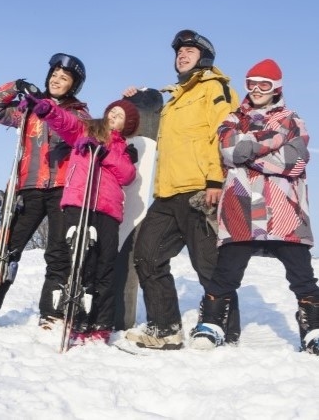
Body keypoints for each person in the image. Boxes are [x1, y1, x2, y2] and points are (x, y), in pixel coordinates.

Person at [0, 53, 90, 329]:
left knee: (59, 252)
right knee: (5, 249)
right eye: (54, 76)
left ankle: (53, 313)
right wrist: (16, 86)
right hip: (28, 188)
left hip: (63, 189)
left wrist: (51, 110)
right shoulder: (29, 111)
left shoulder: (79, 113)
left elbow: (79, 134)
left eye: (64, 78)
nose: (56, 81)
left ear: (74, 85)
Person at [189, 59, 319, 355]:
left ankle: (314, 329)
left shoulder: (292, 119)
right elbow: (229, 150)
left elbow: (294, 162)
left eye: (265, 84)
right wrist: (272, 143)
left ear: (276, 88)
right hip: (241, 206)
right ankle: (211, 325)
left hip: (284, 211)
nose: (257, 89)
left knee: (301, 273)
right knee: (227, 270)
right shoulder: (232, 119)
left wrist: (248, 156)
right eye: (252, 83)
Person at [123, 29, 240, 350]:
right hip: (167, 193)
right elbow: (149, 129)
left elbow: (226, 135)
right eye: (179, 52)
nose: (182, 55)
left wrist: (216, 181)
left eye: (190, 51)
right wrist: (134, 102)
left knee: (208, 266)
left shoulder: (215, 88)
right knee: (146, 255)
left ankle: (225, 333)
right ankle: (165, 328)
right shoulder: (174, 100)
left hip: (202, 190)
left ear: (204, 57)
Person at [24, 95, 139, 343]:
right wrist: (47, 110)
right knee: (79, 260)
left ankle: (100, 323)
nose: (113, 117)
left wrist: (104, 153)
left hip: (107, 210)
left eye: (120, 117)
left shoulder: (123, 148)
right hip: (79, 201)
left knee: (104, 265)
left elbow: (127, 174)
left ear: (126, 126)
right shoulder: (86, 130)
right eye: (112, 112)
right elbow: (65, 122)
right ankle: (75, 317)